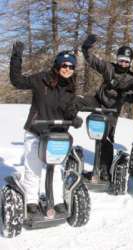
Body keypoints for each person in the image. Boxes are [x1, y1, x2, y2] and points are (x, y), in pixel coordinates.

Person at [10, 41, 82, 214]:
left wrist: (75, 118)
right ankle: (31, 200)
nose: (67, 69)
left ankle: (56, 199)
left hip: (56, 135)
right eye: (64, 65)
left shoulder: (71, 88)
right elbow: (17, 81)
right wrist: (16, 56)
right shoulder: (40, 79)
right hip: (36, 131)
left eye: (71, 66)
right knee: (33, 167)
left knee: (56, 169)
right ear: (57, 65)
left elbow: (69, 111)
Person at [80, 34, 133, 181]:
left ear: (130, 63)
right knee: (78, 102)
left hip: (112, 109)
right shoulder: (109, 68)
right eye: (121, 60)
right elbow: (93, 61)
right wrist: (86, 48)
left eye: (126, 62)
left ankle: (104, 170)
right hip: (98, 101)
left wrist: (129, 98)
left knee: (107, 138)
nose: (123, 64)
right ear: (117, 59)